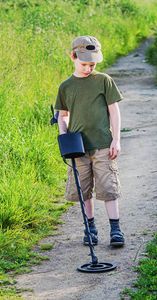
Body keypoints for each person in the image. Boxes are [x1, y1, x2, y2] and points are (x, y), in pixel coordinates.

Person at [54, 35, 125, 247]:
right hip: (78, 148)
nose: (88, 68)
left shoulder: (104, 80)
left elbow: (114, 111)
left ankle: (115, 229)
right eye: (84, 64)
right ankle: (90, 228)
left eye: (92, 64)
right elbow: (62, 114)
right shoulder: (66, 86)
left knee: (108, 187)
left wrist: (116, 139)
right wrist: (63, 135)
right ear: (72, 57)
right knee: (84, 190)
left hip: (103, 144)